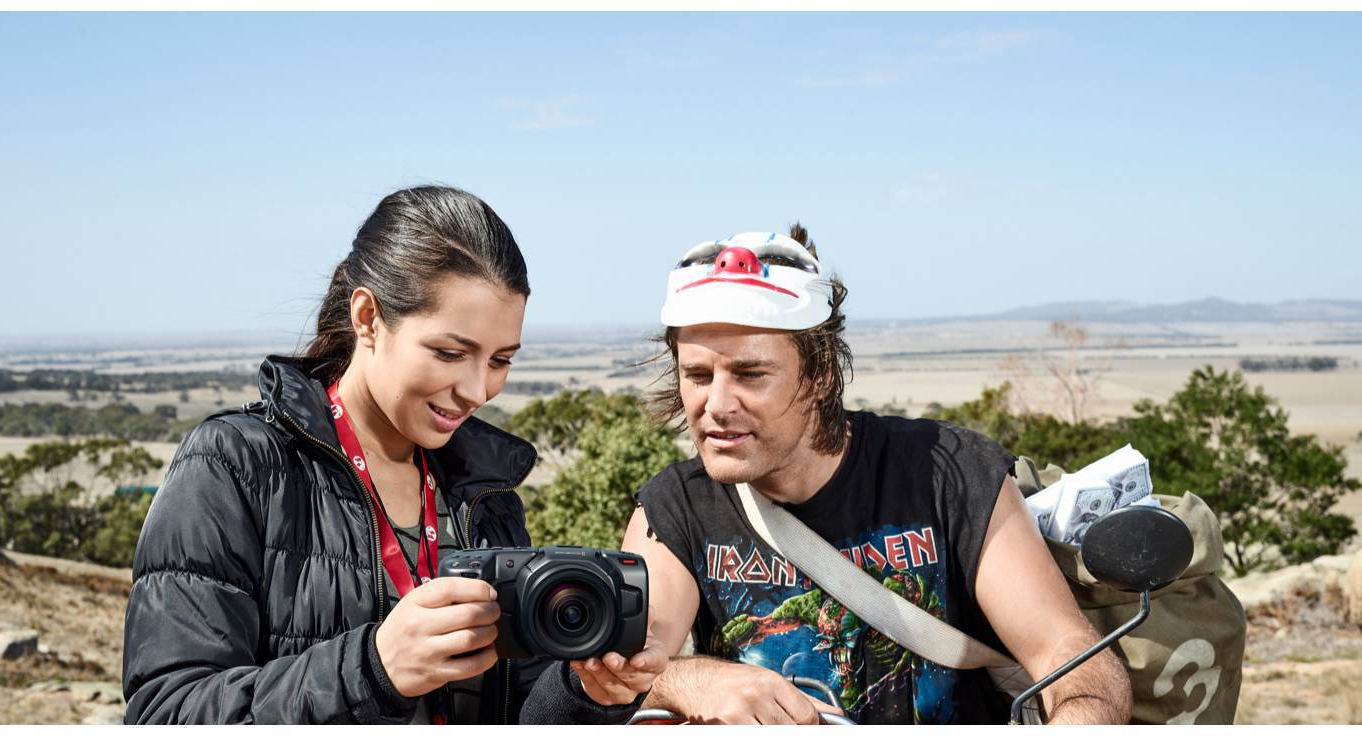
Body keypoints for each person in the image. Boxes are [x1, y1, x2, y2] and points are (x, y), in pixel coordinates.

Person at [122, 185, 663, 724]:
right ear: (368, 318)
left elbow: (519, 712)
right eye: (450, 353)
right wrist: (374, 668)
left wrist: (587, 692)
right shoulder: (237, 466)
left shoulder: (484, 496)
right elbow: (166, 712)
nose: (477, 389)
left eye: (501, 360)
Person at [622, 227, 1132, 725]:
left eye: (751, 374)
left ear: (819, 375)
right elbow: (627, 672)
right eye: (698, 376)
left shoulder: (949, 474)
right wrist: (691, 680)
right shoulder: (675, 507)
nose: (716, 405)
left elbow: (1069, 654)